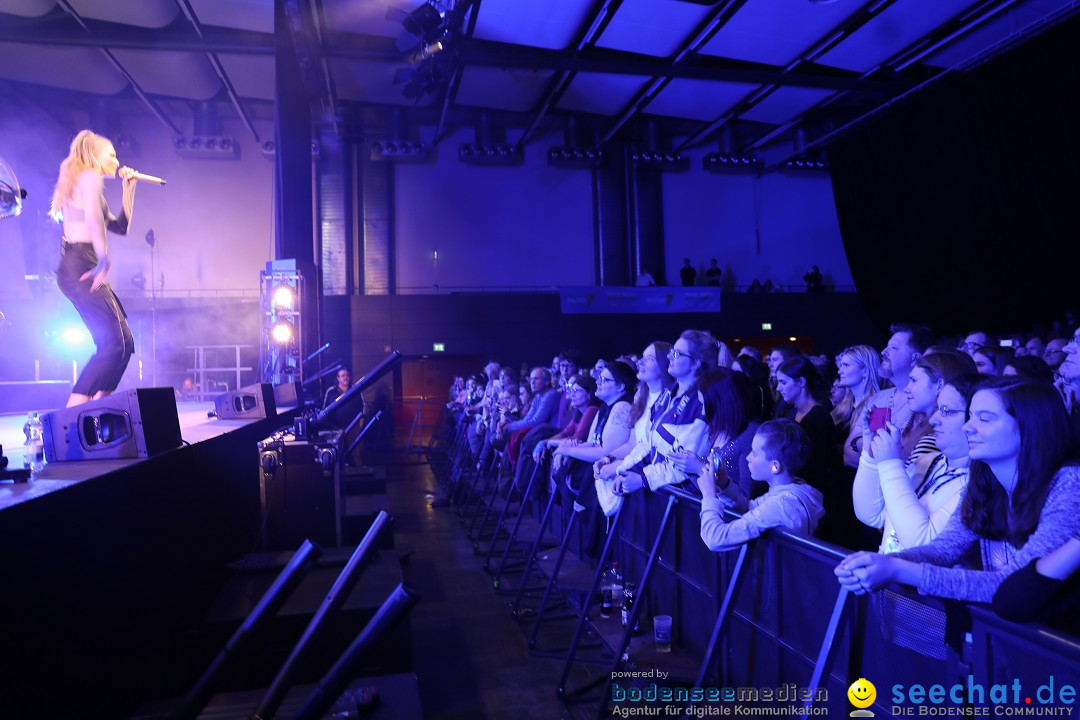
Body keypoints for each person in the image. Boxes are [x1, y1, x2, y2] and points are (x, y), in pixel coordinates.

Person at [835, 377, 1080, 602]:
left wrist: (898, 570)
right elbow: (942, 550)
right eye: (970, 416)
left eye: (984, 418)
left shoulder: (1069, 485)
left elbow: (1015, 584)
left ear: (1031, 425)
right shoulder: (985, 482)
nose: (967, 427)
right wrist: (885, 561)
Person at [50, 130, 140, 407]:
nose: (116, 160)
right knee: (113, 344)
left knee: (124, 343)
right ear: (94, 156)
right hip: (82, 263)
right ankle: (70, 418)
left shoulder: (85, 182)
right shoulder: (89, 175)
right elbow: (92, 218)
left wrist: (129, 189)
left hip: (79, 264)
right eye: (111, 155)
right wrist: (105, 259)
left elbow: (120, 226)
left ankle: (100, 409)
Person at [853, 369, 977, 554]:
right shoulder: (927, 460)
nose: (933, 420)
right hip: (890, 577)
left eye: (945, 411)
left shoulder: (979, 483)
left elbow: (923, 546)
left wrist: (890, 464)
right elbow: (871, 514)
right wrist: (871, 454)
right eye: (937, 409)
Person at [698, 419, 825, 552]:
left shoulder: (782, 505)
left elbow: (716, 539)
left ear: (775, 466)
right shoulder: (792, 491)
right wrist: (724, 484)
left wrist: (708, 496)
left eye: (754, 453)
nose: (748, 457)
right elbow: (751, 509)